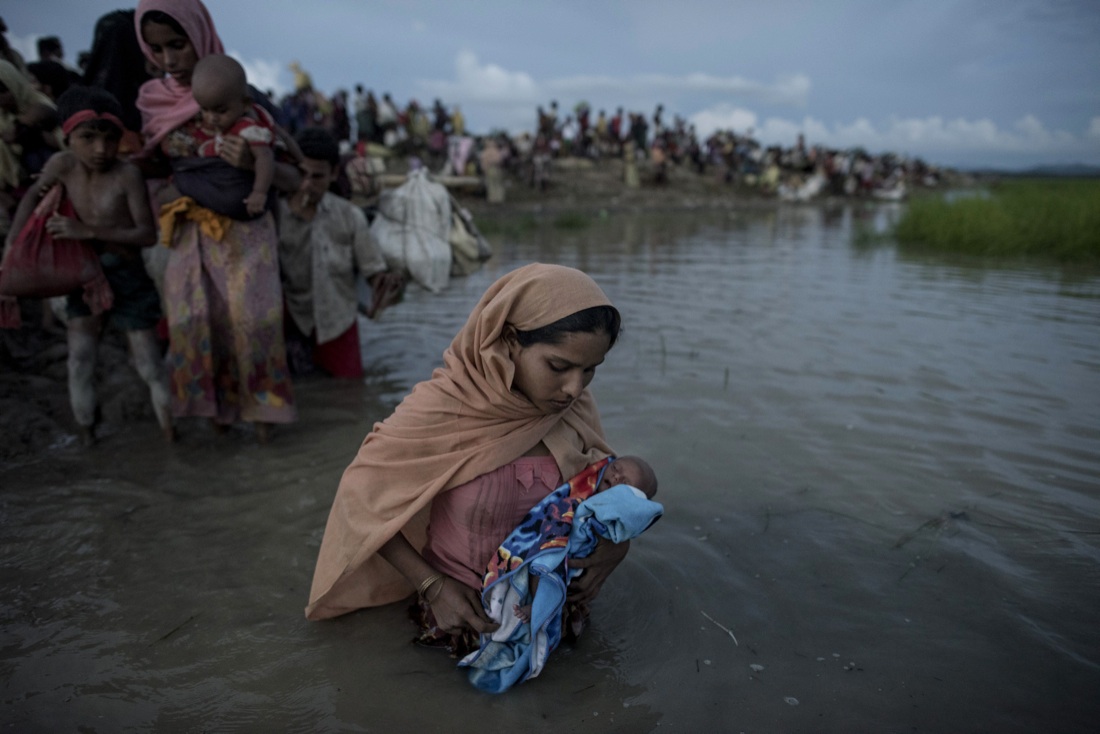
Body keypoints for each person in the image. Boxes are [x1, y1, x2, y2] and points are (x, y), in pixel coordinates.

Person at [305, 264, 631, 655]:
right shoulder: (445, 408)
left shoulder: (573, 410)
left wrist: (618, 544)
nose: (574, 388)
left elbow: (606, 489)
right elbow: (360, 502)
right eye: (558, 366)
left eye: (590, 370)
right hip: (458, 619)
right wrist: (432, 586)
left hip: (553, 614)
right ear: (509, 339)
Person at [135, 0, 298, 443]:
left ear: (200, 35)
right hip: (189, 237)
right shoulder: (153, 103)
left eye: (178, 44)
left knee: (253, 328)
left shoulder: (242, 97)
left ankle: (265, 434)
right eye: (156, 49)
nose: (169, 59)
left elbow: (293, 175)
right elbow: (147, 169)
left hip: (246, 238)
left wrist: (250, 163)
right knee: (197, 326)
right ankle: (216, 429)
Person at [3, 86, 171, 446]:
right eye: (88, 138)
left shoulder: (127, 175)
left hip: (127, 273)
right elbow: (32, 196)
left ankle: (172, 437)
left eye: (110, 138)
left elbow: (146, 234)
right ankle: (87, 437)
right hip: (84, 275)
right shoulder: (62, 166)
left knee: (149, 364)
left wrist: (88, 231)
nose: (100, 149)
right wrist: (11, 251)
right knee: (79, 359)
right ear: (67, 137)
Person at [276, 127, 402, 378]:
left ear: (333, 173)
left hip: (337, 320)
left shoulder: (349, 216)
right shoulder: (276, 214)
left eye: (317, 177)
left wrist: (385, 284)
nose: (307, 185)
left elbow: (373, 269)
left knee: (349, 388)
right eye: (302, 174)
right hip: (290, 318)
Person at [513, 454, 658, 623]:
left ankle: (548, 608)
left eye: (625, 484)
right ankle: (542, 606)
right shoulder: (586, 482)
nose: (616, 476)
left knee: (565, 580)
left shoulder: (616, 511)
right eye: (615, 468)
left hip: (580, 556)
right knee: (544, 565)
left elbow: (625, 526)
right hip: (561, 544)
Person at [189, 54, 274, 217]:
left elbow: (265, 157)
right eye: (205, 110)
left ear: (245, 104)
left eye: (221, 111)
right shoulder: (219, 126)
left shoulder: (247, 129)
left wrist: (259, 192)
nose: (212, 118)